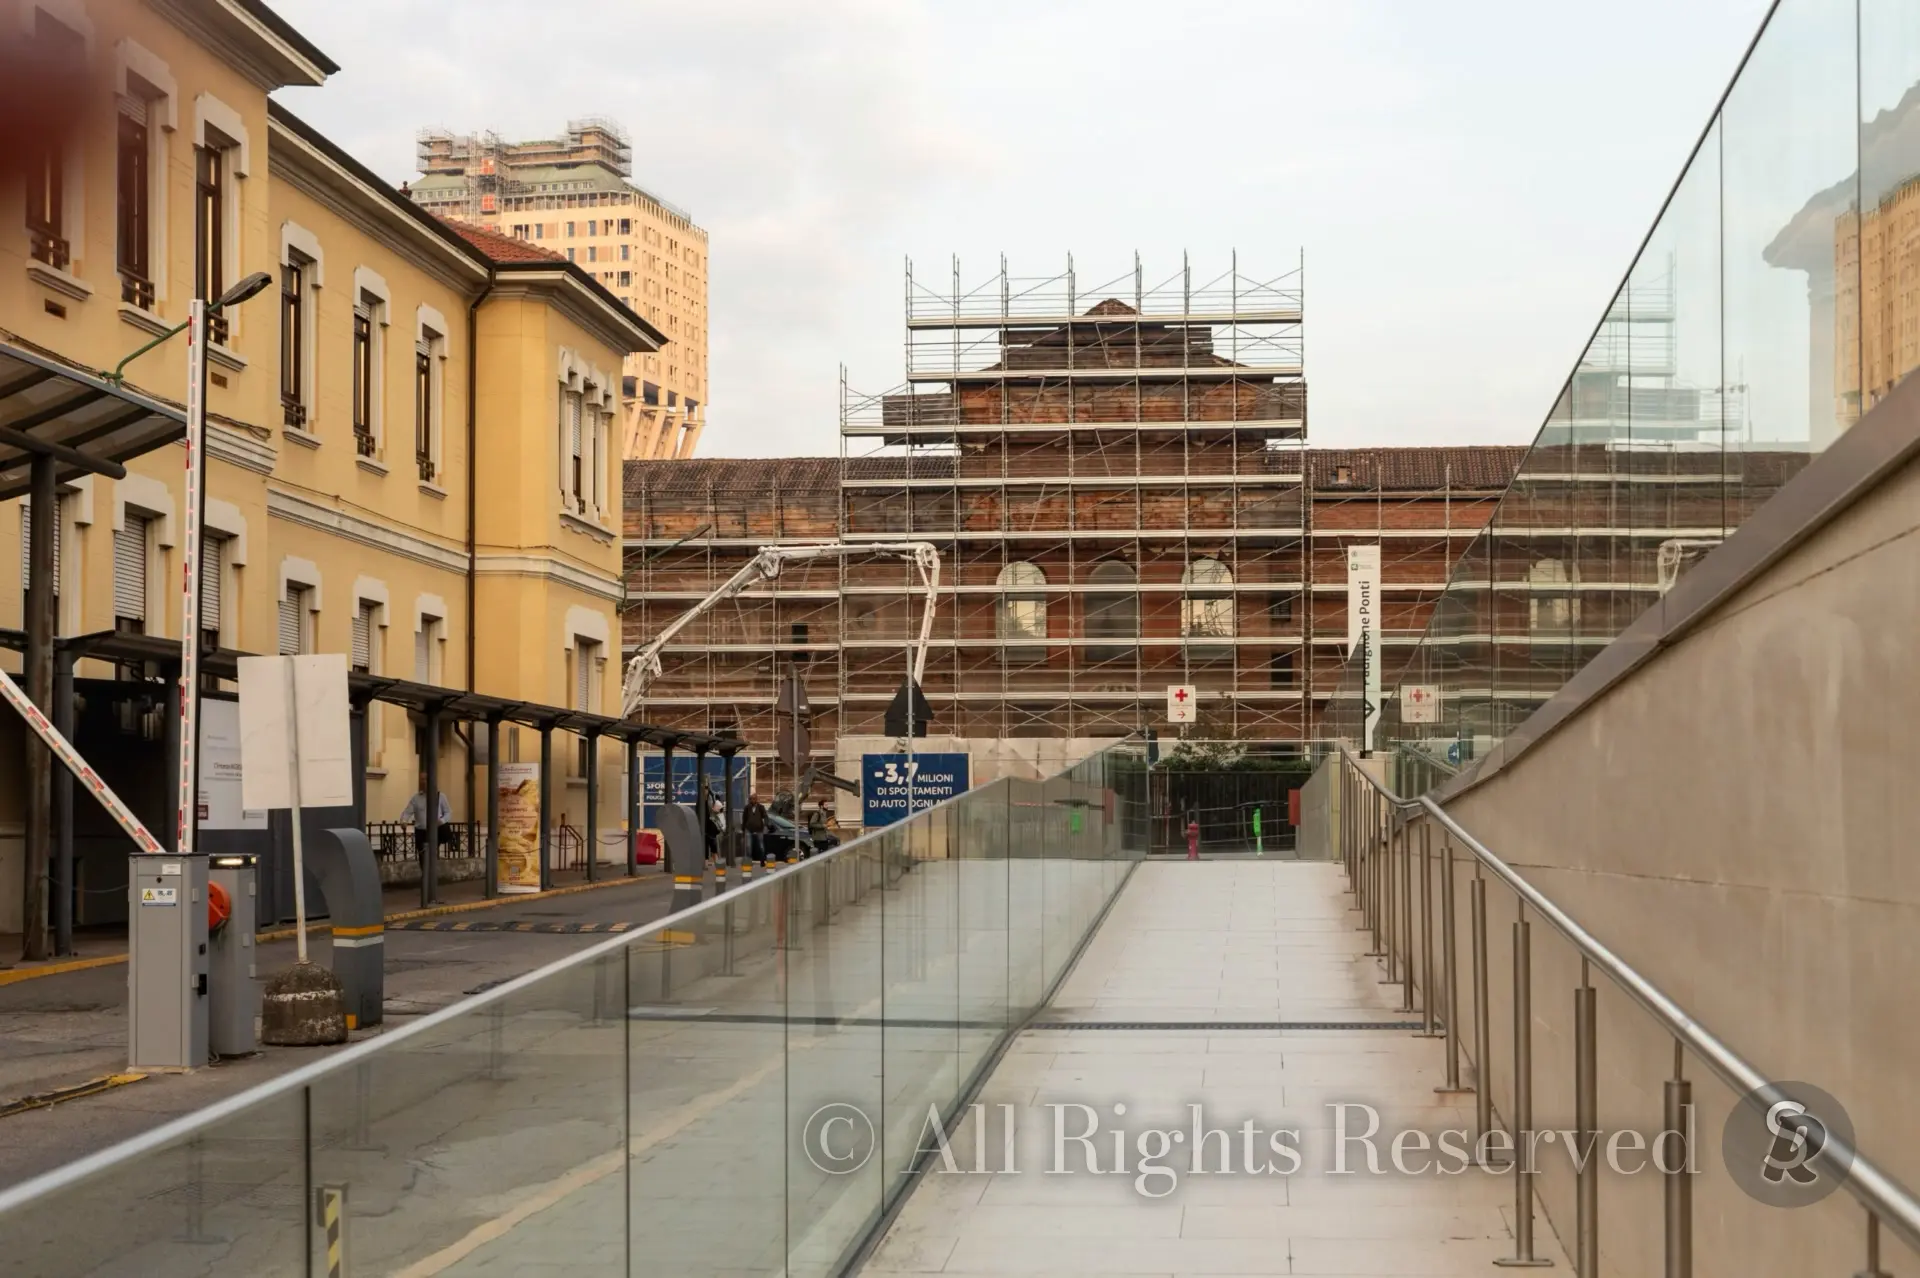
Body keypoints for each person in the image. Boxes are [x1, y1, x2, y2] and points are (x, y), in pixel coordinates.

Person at [400, 778, 455, 857]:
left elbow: (448, 812)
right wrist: (404, 821)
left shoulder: (441, 796)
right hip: (421, 832)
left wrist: (442, 821)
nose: (423, 782)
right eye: (421, 780)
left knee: (430, 856)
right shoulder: (416, 798)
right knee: (422, 857)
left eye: (425, 780)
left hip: (435, 831)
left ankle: (431, 867)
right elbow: (407, 812)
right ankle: (425, 868)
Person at [742, 792, 769, 862]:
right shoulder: (747, 808)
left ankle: (762, 860)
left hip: (759, 829)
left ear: (757, 799)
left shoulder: (761, 807)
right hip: (749, 828)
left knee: (761, 845)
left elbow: (766, 817)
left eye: (754, 799)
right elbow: (744, 818)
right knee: (748, 846)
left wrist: (766, 825)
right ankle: (749, 861)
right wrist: (743, 828)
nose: (752, 800)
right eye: (751, 799)